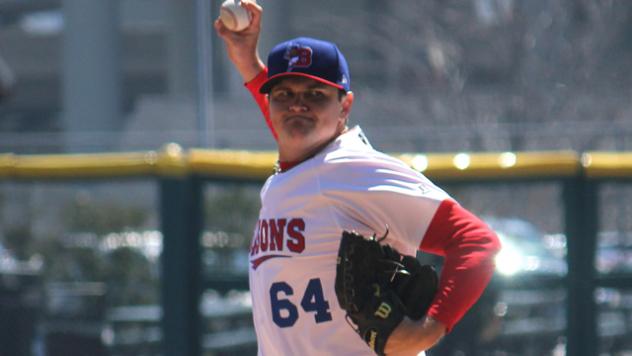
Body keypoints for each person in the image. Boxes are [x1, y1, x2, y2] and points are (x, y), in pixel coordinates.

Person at [215, 2, 501, 355]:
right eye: (284, 94)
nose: (297, 106)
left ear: (345, 106)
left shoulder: (353, 169)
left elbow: (477, 241)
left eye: (315, 95)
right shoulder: (308, 168)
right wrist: (248, 63)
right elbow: (296, 130)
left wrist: (427, 330)